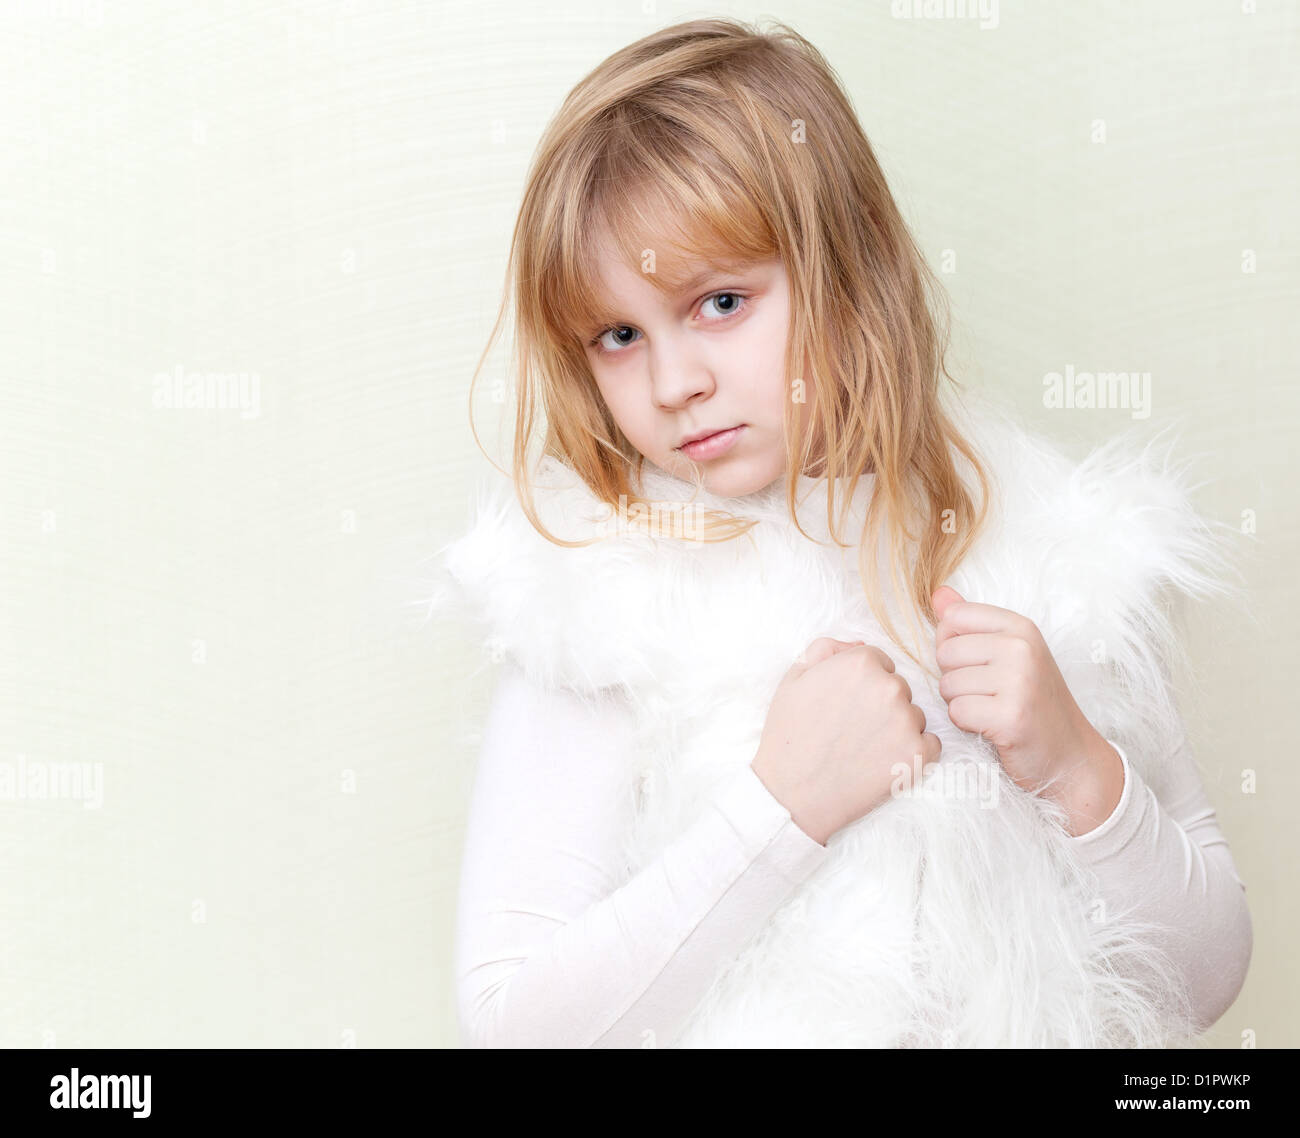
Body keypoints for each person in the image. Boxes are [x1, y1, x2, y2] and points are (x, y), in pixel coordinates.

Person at [435, 17, 1252, 1048]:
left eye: (721, 301)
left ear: (845, 265)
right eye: (618, 335)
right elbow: (512, 1028)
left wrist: (1078, 767)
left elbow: (1206, 976)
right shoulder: (595, 594)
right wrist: (779, 810)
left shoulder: (1051, 547)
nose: (673, 380)